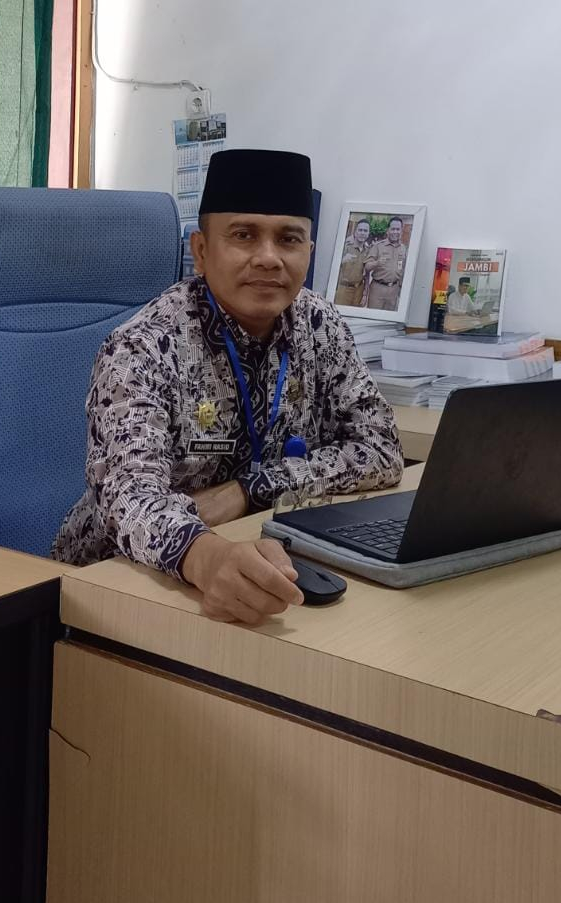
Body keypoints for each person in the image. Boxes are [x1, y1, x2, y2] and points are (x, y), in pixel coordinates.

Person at [52, 149, 403, 624]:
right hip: (110, 584)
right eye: (243, 235)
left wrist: (250, 489)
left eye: (289, 239)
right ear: (200, 251)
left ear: (309, 251)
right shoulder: (143, 346)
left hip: (260, 549)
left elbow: (380, 449)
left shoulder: (320, 325)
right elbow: (129, 498)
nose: (268, 258)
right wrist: (206, 557)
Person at [364, 216, 407, 310]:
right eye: (393, 229)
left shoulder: (403, 248)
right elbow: (367, 267)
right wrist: (377, 263)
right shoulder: (378, 246)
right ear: (388, 230)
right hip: (378, 289)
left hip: (394, 291)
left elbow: (403, 269)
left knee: (389, 318)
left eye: (398, 229)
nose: (395, 232)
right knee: (373, 317)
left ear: (401, 231)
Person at [335, 218, 370, 306]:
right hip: (344, 289)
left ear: (368, 234)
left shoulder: (368, 250)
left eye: (365, 231)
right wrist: (342, 260)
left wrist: (365, 293)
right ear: (355, 232)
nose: (362, 233)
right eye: (360, 230)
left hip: (359, 291)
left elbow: (367, 274)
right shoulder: (345, 247)